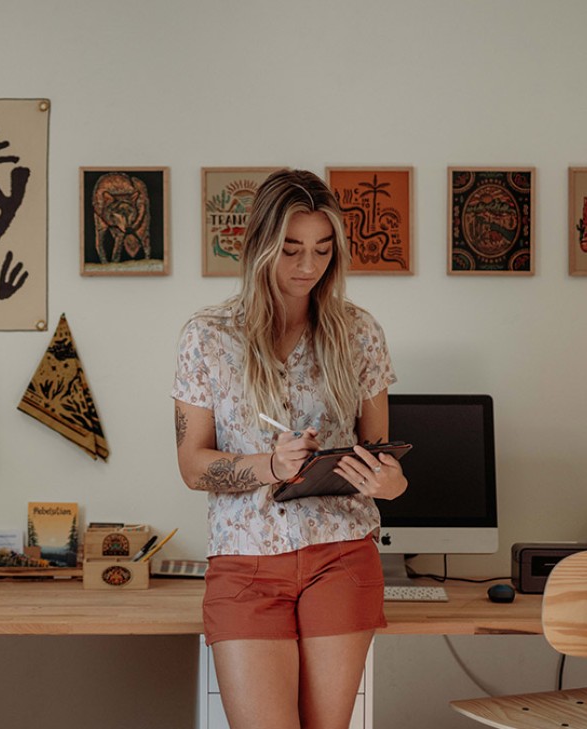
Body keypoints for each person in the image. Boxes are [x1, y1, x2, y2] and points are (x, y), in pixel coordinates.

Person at [172, 169, 407, 729]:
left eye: (323, 251)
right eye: (292, 250)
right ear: (259, 247)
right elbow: (191, 465)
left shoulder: (360, 333)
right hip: (244, 564)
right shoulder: (207, 336)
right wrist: (268, 465)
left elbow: (381, 455)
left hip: (343, 555)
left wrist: (390, 482)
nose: (308, 267)